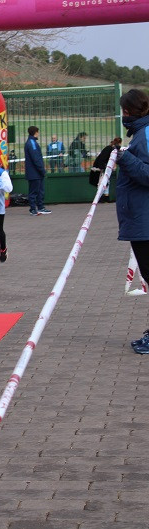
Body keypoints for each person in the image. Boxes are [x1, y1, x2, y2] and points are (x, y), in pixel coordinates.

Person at [114, 89, 149, 355]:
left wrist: (124, 158)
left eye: (124, 111)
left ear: (130, 111)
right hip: (138, 218)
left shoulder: (146, 133)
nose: (123, 115)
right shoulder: (140, 133)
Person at [24, 125, 51, 216]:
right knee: (34, 191)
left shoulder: (31, 142)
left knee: (39, 191)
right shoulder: (32, 143)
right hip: (34, 172)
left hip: (36, 172)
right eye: (38, 132)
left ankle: (40, 207)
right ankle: (33, 209)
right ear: (35, 132)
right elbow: (36, 158)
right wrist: (42, 170)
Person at [89, 137, 122, 203]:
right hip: (101, 167)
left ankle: (105, 197)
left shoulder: (110, 148)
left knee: (104, 182)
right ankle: (103, 197)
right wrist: (103, 168)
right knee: (103, 182)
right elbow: (103, 159)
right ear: (119, 143)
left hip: (101, 167)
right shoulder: (111, 149)